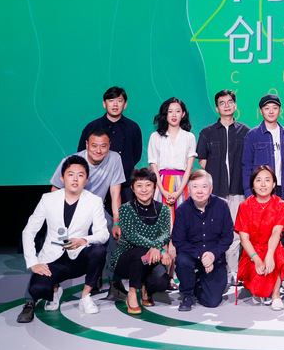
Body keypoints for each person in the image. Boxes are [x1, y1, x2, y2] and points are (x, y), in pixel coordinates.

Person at [18, 155, 108, 323]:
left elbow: (103, 234)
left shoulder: (94, 201)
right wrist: (33, 263)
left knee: (99, 250)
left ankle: (85, 296)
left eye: (80, 175)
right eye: (70, 174)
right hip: (53, 259)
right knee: (38, 289)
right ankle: (55, 290)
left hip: (78, 258)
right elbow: (29, 231)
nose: (75, 179)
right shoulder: (48, 199)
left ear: (87, 180)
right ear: (62, 178)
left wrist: (83, 240)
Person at [50, 128, 125, 300]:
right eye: (94, 146)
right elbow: (55, 190)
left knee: (114, 233)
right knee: (56, 240)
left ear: (109, 146)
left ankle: (115, 283)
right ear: (87, 145)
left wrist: (116, 222)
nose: (98, 150)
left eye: (103, 146)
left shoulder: (114, 159)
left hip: (97, 210)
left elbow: (115, 193)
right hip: (71, 209)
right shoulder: (72, 162)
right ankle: (53, 284)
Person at [197, 89, 250, 286]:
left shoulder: (245, 131)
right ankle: (216, 271)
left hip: (238, 189)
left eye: (229, 102)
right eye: (222, 103)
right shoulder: (207, 132)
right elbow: (202, 161)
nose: (226, 106)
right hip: (216, 192)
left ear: (235, 105)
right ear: (217, 107)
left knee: (236, 234)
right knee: (215, 232)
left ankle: (232, 272)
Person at [148, 97, 196, 288]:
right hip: (161, 183)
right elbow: (153, 165)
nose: (174, 115)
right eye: (170, 111)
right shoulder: (156, 136)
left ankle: (175, 274)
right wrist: (162, 189)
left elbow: (189, 167)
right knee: (161, 228)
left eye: (177, 111)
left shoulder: (189, 137)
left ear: (183, 114)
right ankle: (160, 274)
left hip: (181, 184)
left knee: (180, 228)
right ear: (165, 114)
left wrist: (178, 191)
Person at [111, 168, 172, 314]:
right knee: (140, 252)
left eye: (148, 185)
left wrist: (156, 249)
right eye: (139, 185)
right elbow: (132, 236)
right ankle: (132, 292)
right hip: (126, 259)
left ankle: (145, 287)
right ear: (132, 188)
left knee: (162, 282)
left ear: (154, 186)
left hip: (150, 259)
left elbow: (165, 234)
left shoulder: (163, 209)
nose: (144, 189)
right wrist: (160, 249)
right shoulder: (125, 209)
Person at [171, 170, 233, 311]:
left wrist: (212, 255)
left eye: (204, 187)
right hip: (191, 255)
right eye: (195, 186)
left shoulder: (222, 206)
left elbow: (227, 237)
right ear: (189, 189)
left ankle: (198, 282)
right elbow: (179, 241)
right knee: (182, 260)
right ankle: (187, 294)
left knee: (212, 302)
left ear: (211, 189)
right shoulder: (182, 210)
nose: (199, 191)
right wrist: (202, 256)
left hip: (215, 257)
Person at [235, 166, 284, 310]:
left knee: (278, 254)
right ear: (253, 185)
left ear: (274, 184)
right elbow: (244, 239)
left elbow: (276, 233)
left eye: (267, 180)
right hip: (252, 251)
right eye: (258, 180)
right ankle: (259, 289)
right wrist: (257, 259)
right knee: (259, 287)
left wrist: (270, 254)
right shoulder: (244, 206)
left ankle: (276, 295)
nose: (263, 184)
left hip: (272, 247)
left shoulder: (281, 205)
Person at [78, 86, 142, 203]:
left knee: (122, 214)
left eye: (119, 101)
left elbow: (136, 155)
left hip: (124, 184)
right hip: (95, 183)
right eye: (111, 100)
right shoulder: (92, 127)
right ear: (104, 104)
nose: (115, 104)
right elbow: (81, 154)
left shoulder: (133, 127)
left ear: (125, 105)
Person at [242, 94, 284, 201]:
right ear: (261, 111)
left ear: (279, 110)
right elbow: (246, 166)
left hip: (283, 189)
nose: (271, 111)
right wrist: (248, 192)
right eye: (267, 108)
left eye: (275, 108)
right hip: (261, 190)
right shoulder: (252, 135)